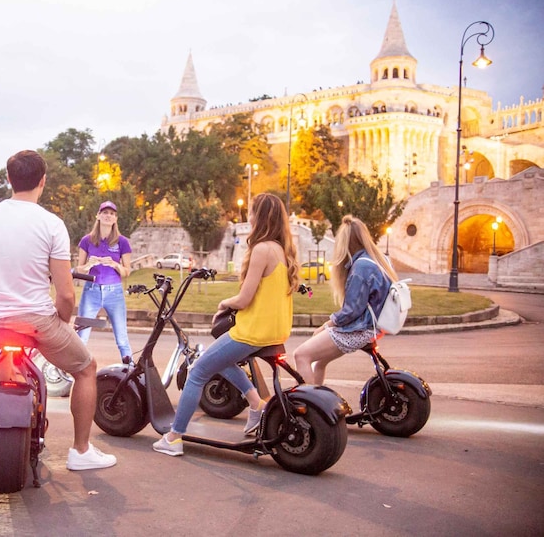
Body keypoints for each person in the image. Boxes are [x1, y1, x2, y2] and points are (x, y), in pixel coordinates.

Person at [0, 150, 117, 471]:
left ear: (9, 179)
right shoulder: (51, 224)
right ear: (43, 182)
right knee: (86, 368)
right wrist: (63, 322)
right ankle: (80, 450)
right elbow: (65, 293)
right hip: (36, 320)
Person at [153, 194, 300, 457]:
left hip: (253, 331)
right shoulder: (283, 250)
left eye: (252, 212)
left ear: (259, 217)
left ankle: (174, 437)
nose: (249, 217)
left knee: (198, 370)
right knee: (220, 359)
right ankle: (255, 403)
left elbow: (244, 299)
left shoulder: (262, 249)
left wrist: (223, 303)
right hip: (275, 330)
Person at [292, 215, 396, 385]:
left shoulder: (361, 267)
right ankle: (317, 398)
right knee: (319, 362)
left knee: (301, 355)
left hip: (360, 329)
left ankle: (310, 405)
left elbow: (352, 310)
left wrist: (326, 325)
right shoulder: (379, 259)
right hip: (374, 326)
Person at [74, 200, 133, 362]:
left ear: (115, 219)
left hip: (114, 292)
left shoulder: (122, 242)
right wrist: (89, 264)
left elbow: (127, 271)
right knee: (81, 336)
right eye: (105, 213)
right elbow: (79, 269)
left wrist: (114, 264)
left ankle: (130, 370)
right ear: (98, 216)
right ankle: (74, 372)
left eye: (112, 214)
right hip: (91, 290)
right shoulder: (87, 240)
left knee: (122, 338)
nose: (108, 216)